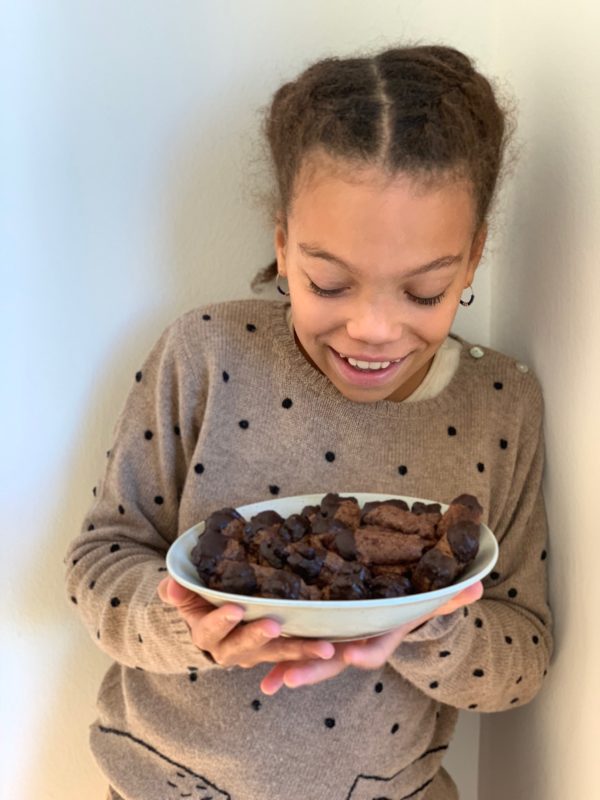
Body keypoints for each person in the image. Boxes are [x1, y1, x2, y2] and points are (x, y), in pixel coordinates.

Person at [65, 44, 552, 800]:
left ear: (473, 258)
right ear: (283, 242)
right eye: (329, 282)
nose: (373, 329)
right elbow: (100, 561)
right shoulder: (204, 353)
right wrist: (186, 627)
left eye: (422, 292)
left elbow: (523, 655)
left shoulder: (502, 403)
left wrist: (427, 627)